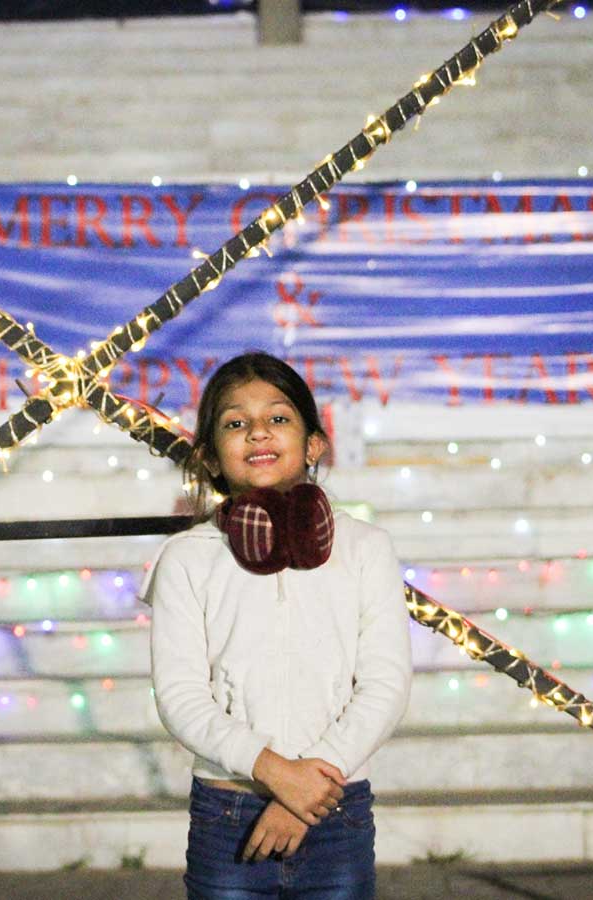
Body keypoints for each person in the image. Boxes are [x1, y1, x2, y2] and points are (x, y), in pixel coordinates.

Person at [144, 351, 413, 900]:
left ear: (314, 444)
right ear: (211, 457)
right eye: (235, 423)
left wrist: (307, 789)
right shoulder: (187, 558)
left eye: (279, 418)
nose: (258, 432)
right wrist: (274, 773)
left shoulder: (366, 548)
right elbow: (180, 696)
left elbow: (386, 685)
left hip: (335, 810)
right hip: (229, 813)